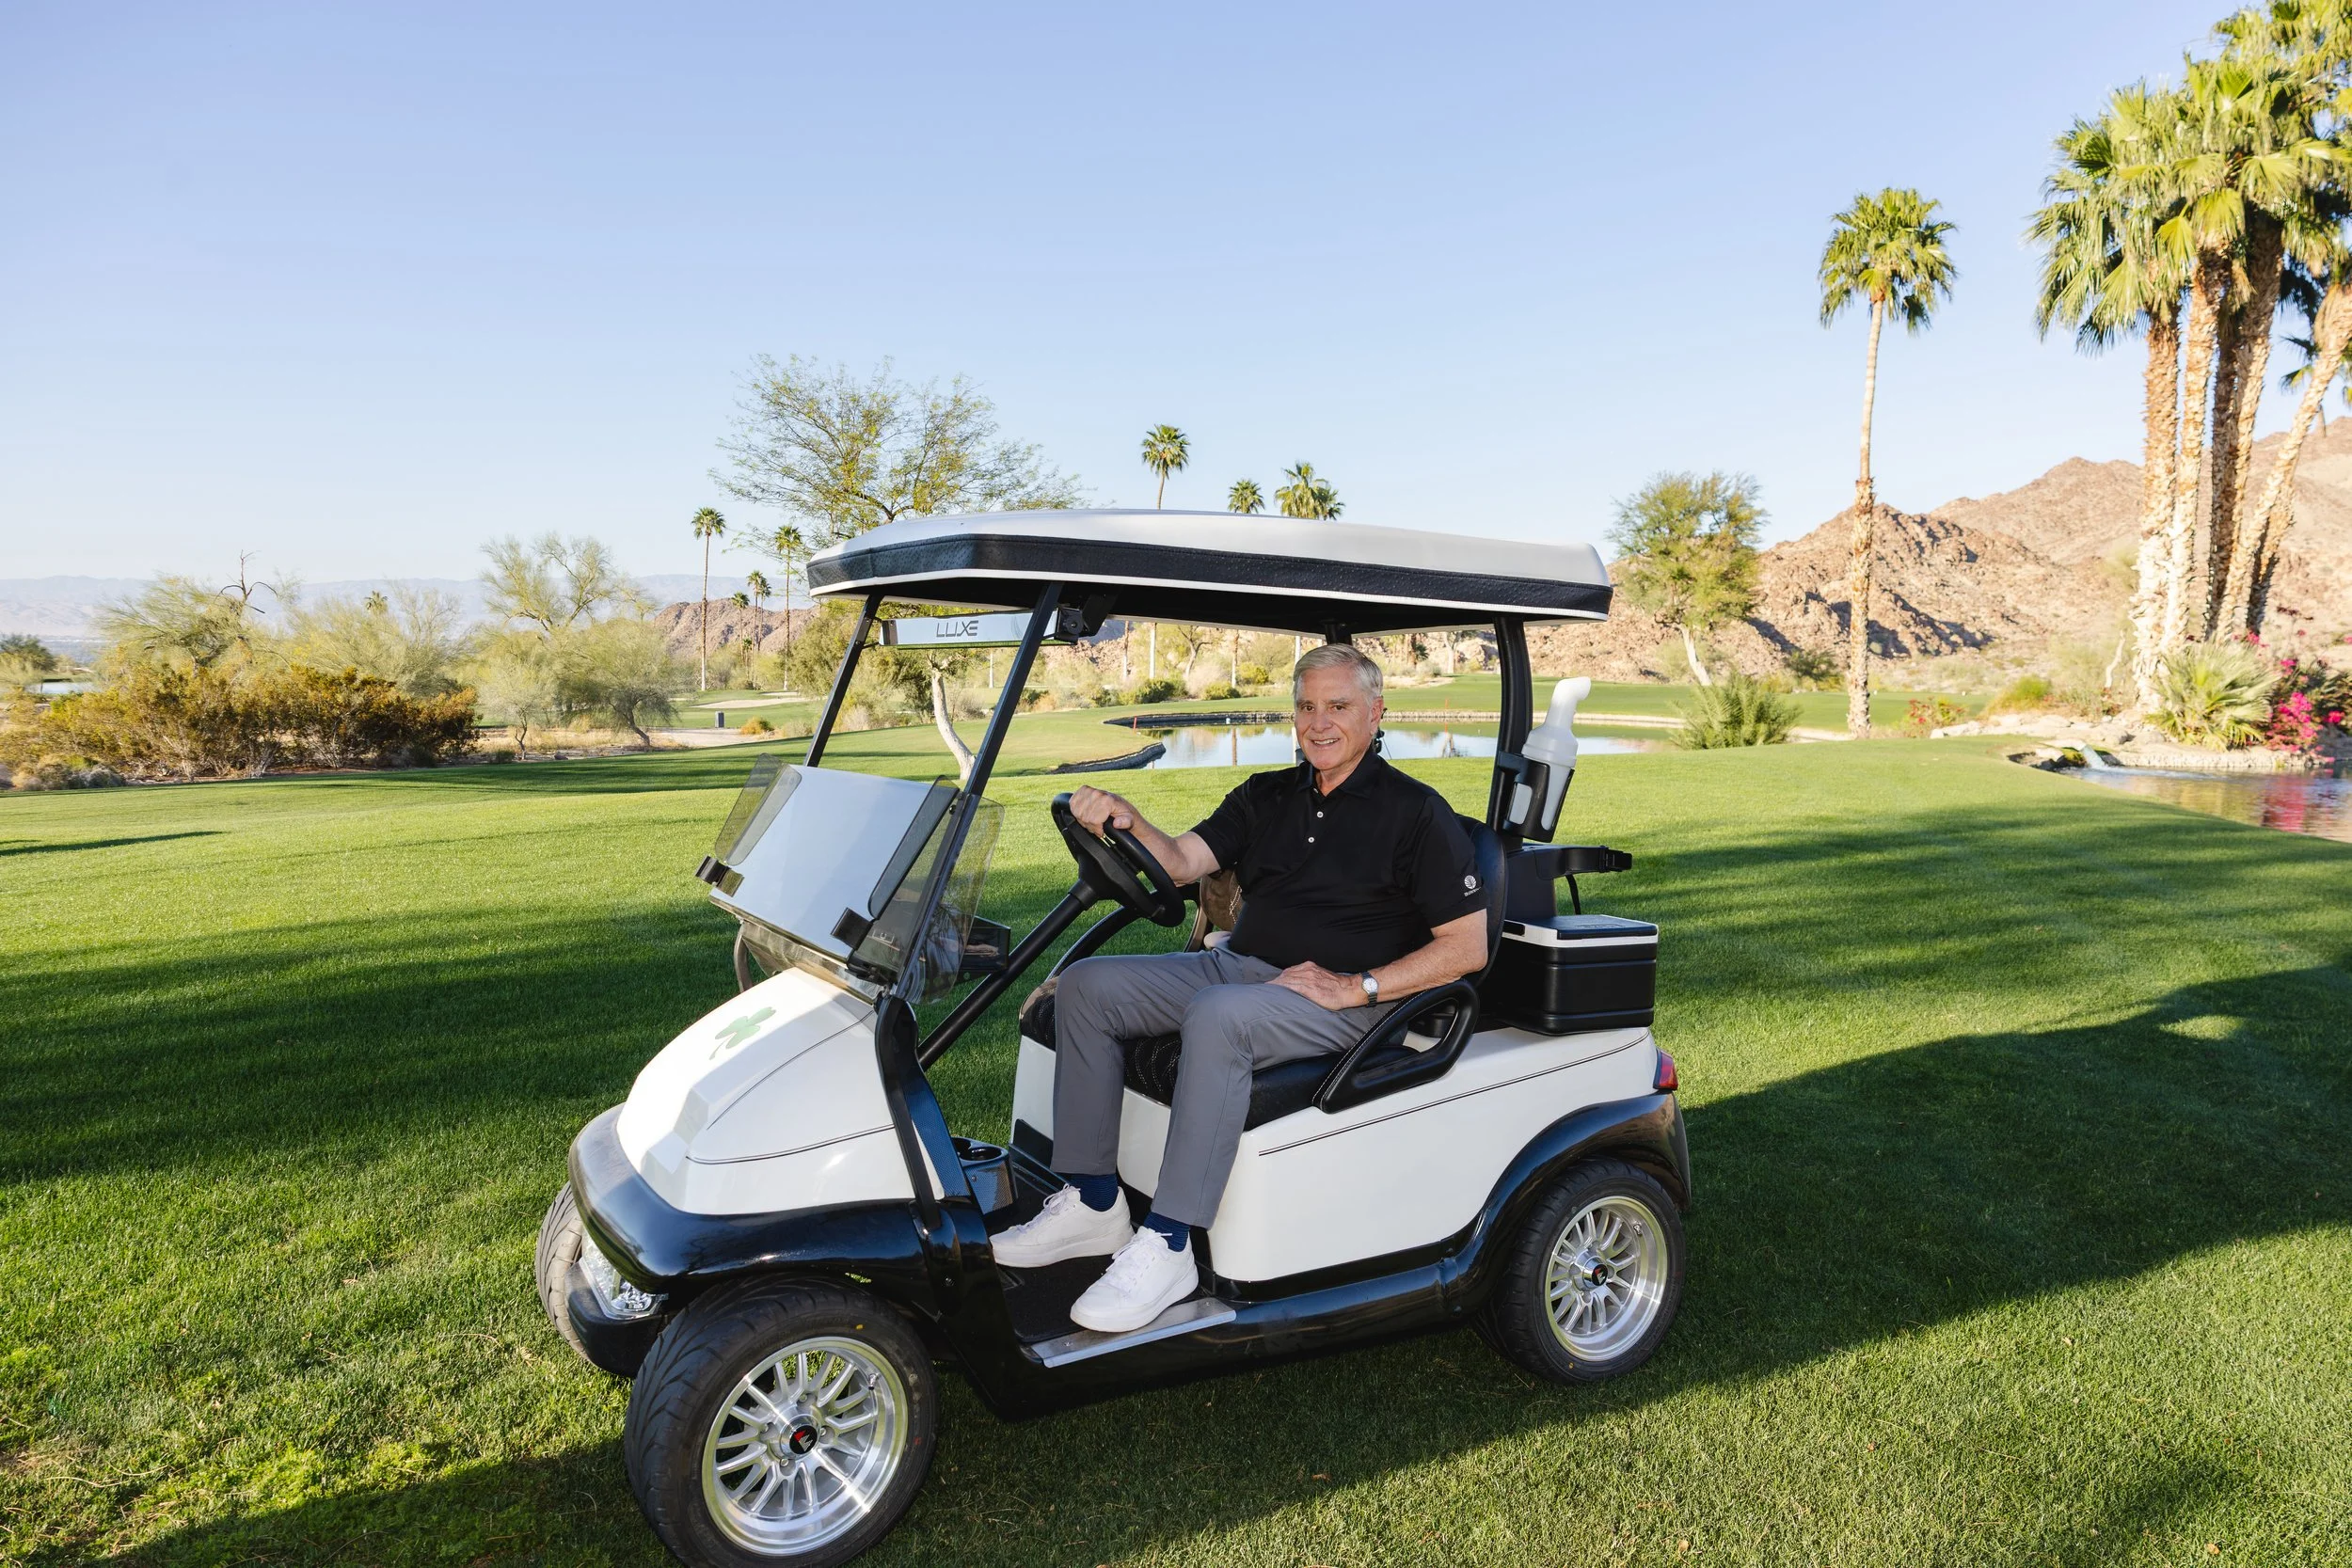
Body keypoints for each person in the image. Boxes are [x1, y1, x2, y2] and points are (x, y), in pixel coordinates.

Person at [993, 643, 1491, 1331]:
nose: (1319, 722)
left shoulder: (1415, 813)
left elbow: (1467, 947)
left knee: (1220, 1017)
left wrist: (1357, 985)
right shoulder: (1266, 795)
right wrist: (1126, 817)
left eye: (1338, 706)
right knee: (1085, 986)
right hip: (1240, 966)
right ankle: (1092, 1200)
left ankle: (1169, 1243)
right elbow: (1179, 862)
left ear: (1376, 713)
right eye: (1307, 706)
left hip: (1343, 1005)